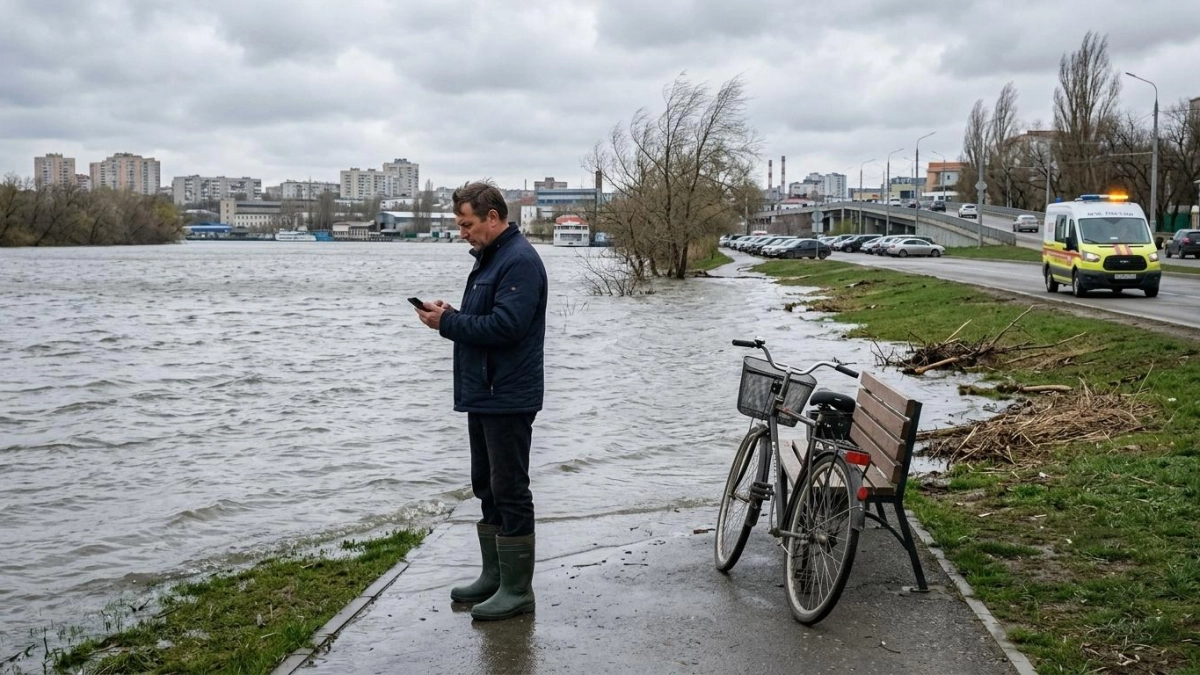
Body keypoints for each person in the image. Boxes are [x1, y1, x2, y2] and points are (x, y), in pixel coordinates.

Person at [414, 181, 548, 621]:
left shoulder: (519, 261)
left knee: (510, 489)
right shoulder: (493, 259)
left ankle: (517, 590)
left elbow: (507, 328)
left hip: (508, 395)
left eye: (466, 224)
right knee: (487, 486)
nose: (462, 232)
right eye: (458, 224)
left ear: (492, 217)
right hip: (486, 393)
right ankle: (494, 577)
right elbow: (488, 318)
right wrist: (453, 313)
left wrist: (447, 322)